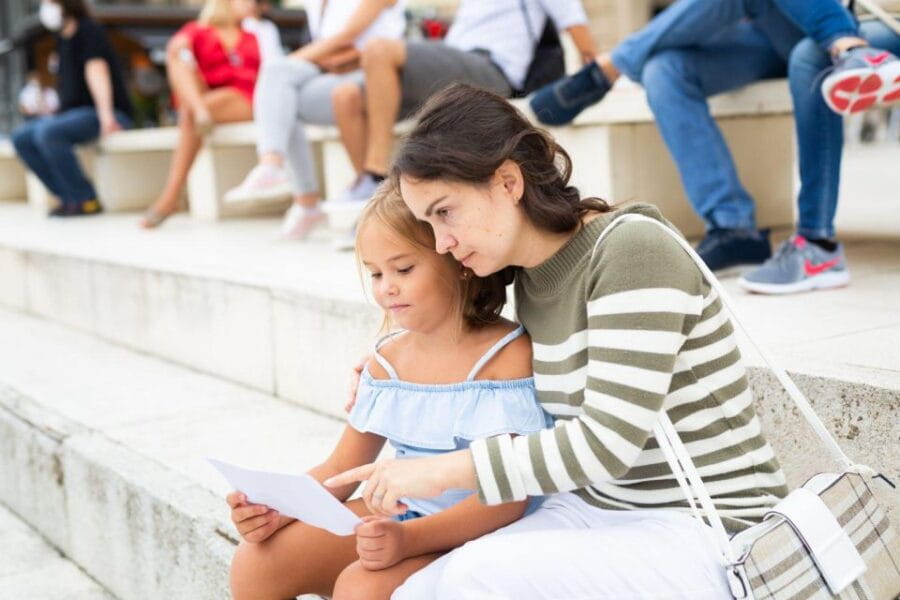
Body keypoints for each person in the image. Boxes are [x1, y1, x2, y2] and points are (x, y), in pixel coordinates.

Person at [325, 84, 789, 599]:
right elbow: (471, 343)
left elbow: (606, 442)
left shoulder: (632, 251)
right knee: (409, 591)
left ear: (507, 182)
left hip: (708, 524)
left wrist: (440, 472)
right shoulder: (531, 276)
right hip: (599, 508)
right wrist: (388, 366)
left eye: (445, 212)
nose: (440, 243)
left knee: (470, 580)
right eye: (428, 223)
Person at [226, 182, 552, 600]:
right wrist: (274, 508)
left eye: (403, 269)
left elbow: (507, 498)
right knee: (258, 561)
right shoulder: (386, 360)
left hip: (487, 527)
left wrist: (408, 540)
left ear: (457, 261)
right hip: (403, 518)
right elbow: (340, 469)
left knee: (362, 588)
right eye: (376, 273)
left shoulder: (505, 357)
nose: (385, 287)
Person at [528, 0, 900, 272]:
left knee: (808, 53)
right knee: (664, 70)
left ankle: (607, 69)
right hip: (767, 26)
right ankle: (731, 224)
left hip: (868, 22)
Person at [323, 0, 598, 250]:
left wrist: (598, 73)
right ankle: (376, 203)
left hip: (492, 69)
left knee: (379, 49)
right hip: (453, 64)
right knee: (346, 96)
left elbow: (572, 19)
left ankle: (374, 178)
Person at [740, 3, 900, 294]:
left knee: (810, 57)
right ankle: (852, 50)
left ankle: (816, 243)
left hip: (887, 23)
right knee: (810, 51)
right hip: (866, 20)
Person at [223, 0, 406, 241]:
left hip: (379, 73)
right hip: (334, 74)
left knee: (278, 73)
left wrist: (294, 60)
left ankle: (277, 172)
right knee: (282, 99)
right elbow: (329, 47)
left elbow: (347, 36)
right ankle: (302, 197)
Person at [140, 0, 263, 229]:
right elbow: (177, 48)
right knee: (178, 56)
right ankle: (198, 110)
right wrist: (186, 54)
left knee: (191, 111)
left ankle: (170, 196)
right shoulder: (198, 31)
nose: (253, 5)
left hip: (245, 97)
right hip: (208, 99)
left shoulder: (252, 35)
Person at [11, 0, 133, 217]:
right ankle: (67, 196)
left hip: (103, 112)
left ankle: (86, 199)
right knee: (22, 137)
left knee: (49, 133)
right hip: (74, 115)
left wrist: (107, 117)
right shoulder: (61, 39)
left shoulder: (89, 30)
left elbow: (98, 72)